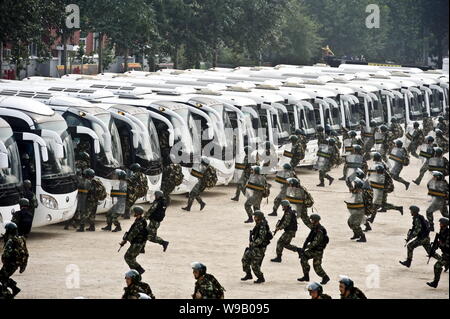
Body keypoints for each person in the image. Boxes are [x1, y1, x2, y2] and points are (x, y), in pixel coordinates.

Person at [297, 214, 330, 284]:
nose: (311, 221)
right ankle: (306, 276)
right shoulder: (315, 228)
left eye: (312, 220)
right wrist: (304, 247)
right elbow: (308, 238)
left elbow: (315, 242)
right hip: (313, 250)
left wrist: (306, 248)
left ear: (316, 221)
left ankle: (325, 277)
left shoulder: (320, 230)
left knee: (316, 267)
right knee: (304, 258)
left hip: (318, 251)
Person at [241, 211, 272, 284]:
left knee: (254, 264)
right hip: (254, 247)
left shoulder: (262, 226)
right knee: (245, 259)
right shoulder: (258, 223)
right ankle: (248, 274)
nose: (254, 218)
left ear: (259, 217)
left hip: (259, 248)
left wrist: (253, 243)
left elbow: (261, 238)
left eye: (255, 216)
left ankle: (261, 278)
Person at [0, 222, 28, 298]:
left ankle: (6, 294)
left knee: (2, 277)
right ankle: (14, 288)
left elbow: (6, 254)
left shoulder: (11, 240)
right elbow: (26, 252)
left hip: (9, 263)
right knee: (3, 276)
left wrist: (4, 260)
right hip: (16, 264)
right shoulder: (21, 239)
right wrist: (23, 265)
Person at [119, 206, 148, 275]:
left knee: (128, 257)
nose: (133, 213)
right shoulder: (139, 220)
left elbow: (133, 233)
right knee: (132, 258)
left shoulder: (140, 222)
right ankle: (135, 272)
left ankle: (139, 270)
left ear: (137, 213)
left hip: (137, 243)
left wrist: (125, 240)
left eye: (135, 212)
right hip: (138, 242)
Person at [426, 218, 449, 288]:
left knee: (437, 266)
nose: (439, 224)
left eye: (441, 223)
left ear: (444, 224)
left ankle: (435, 283)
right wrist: (435, 246)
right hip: (446, 254)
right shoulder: (442, 231)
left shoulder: (448, 233)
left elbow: (447, 245)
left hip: (448, 255)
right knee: (437, 266)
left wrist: (440, 244)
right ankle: (435, 283)